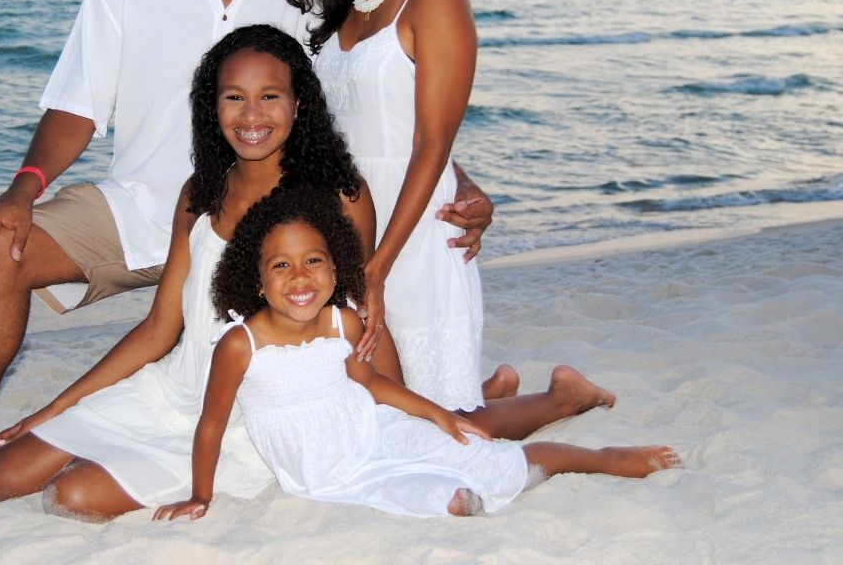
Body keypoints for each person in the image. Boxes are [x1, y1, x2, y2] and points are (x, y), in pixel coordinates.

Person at [0, 0, 494, 525]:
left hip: (263, 233)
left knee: (398, 408)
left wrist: (461, 178)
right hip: (151, 209)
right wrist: (21, 189)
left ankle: (498, 403)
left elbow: (377, 93)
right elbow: (76, 109)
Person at [0, 25, 381, 521]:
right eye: (234, 97)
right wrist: (56, 409)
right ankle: (112, 449)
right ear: (213, 107)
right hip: (177, 387)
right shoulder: (200, 193)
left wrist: (393, 421)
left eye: (270, 96)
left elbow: (359, 326)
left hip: (253, 412)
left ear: (299, 104)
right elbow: (159, 329)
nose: (252, 115)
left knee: (71, 496)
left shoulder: (340, 195)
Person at [153, 187, 682, 521]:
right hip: (328, 471)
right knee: (433, 494)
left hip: (373, 428)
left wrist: (438, 416)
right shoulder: (240, 345)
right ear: (257, 279)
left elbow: (372, 385)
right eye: (281, 266)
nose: (300, 278)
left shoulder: (345, 320)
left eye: (313, 261)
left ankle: (599, 459)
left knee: (482, 453)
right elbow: (212, 425)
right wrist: (201, 495)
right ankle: (457, 496)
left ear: (336, 270)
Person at [281, 0, 498, 411]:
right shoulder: (345, 6)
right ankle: (496, 395)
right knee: (381, 408)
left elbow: (432, 139)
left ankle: (562, 397)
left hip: (413, 231)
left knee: (431, 418)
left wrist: (376, 268)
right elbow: (371, 121)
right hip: (346, 223)